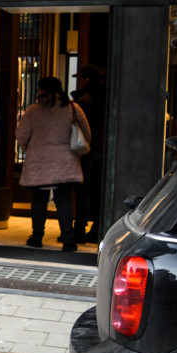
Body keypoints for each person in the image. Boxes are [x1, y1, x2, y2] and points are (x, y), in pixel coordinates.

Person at [16, 76, 91, 252]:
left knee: (39, 199)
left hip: (39, 161)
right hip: (65, 161)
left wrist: (31, 148)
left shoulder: (33, 111)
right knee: (63, 199)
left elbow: (21, 135)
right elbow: (86, 133)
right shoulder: (73, 108)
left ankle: (36, 238)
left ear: (42, 90)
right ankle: (68, 241)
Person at [71, 64, 107, 243]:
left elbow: (79, 129)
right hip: (104, 150)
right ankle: (97, 229)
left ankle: (78, 230)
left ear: (85, 80)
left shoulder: (83, 101)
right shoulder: (108, 98)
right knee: (100, 191)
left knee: (83, 192)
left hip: (86, 151)